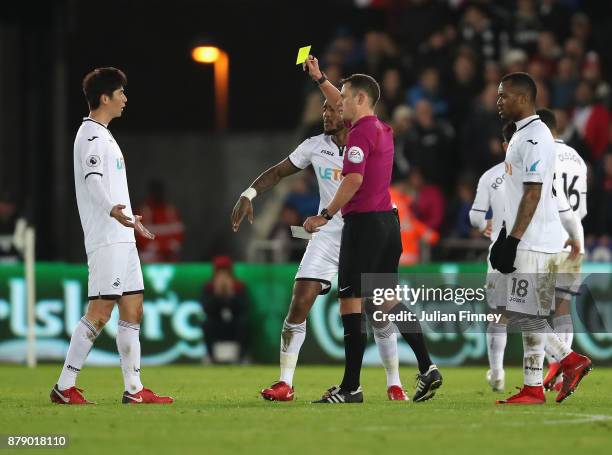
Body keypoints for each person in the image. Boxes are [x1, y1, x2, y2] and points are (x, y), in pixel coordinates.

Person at [231, 98, 408, 401]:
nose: (325, 114)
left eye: (333, 109)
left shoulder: (368, 139)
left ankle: (394, 382)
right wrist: (249, 193)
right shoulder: (315, 145)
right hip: (326, 236)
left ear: (350, 112)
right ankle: (285, 382)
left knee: (378, 309)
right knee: (300, 299)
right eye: (323, 109)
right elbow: (278, 172)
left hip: (364, 232)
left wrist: (319, 77)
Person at [302, 55, 441, 404]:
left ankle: (351, 388)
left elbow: (353, 178)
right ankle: (427, 367)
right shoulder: (381, 127)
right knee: (385, 302)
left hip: (363, 225)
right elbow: (342, 101)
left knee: (350, 304)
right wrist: (320, 79)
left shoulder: (361, 133)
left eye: (345, 98)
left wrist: (326, 214)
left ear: (360, 100)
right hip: (387, 224)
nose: (339, 103)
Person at [50, 67, 172, 405]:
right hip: (107, 237)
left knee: (133, 308)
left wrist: (129, 218)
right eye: (120, 93)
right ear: (105, 97)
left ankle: (134, 390)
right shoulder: (90, 136)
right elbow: (93, 181)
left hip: (122, 235)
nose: (125, 99)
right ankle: (64, 385)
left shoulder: (104, 134)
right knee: (100, 312)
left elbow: (109, 186)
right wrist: (113, 211)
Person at [492, 72, 591, 404]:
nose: (498, 101)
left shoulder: (535, 137)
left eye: (504, 95)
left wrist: (513, 240)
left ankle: (569, 360)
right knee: (527, 313)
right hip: (532, 239)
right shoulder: (525, 135)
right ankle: (533, 387)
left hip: (534, 242)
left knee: (521, 313)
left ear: (522, 98)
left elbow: (533, 193)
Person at [536, 108, 588, 392]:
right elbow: (580, 206)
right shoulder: (578, 159)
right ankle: (563, 373)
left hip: (545, 237)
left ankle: (563, 363)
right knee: (562, 305)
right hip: (574, 236)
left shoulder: (541, 155)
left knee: (530, 309)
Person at [470, 122, 515, 392]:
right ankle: (552, 371)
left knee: (499, 314)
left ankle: (497, 372)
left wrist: (482, 225)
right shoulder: (542, 173)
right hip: (535, 249)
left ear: (504, 145)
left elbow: (476, 216)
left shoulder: (491, 176)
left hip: (500, 252)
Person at [201, 256, 249, 363]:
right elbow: (206, 309)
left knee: (244, 322)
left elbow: (244, 307)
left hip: (233, 324)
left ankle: (241, 357)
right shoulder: (208, 287)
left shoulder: (239, 287)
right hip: (216, 323)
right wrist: (217, 295)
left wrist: (231, 295)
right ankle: (211, 357)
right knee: (206, 323)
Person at [137, 180, 184, 263]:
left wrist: (168, 248)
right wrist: (157, 248)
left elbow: (179, 234)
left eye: (160, 192)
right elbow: (140, 235)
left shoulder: (171, 210)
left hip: (169, 253)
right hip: (150, 253)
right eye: (155, 192)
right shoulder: (144, 211)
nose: (158, 195)